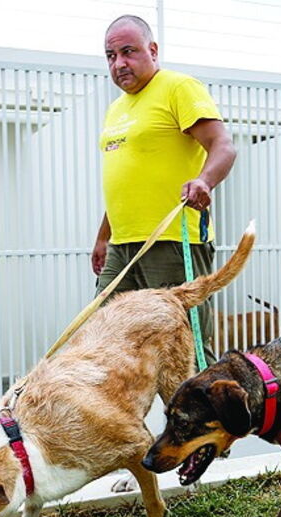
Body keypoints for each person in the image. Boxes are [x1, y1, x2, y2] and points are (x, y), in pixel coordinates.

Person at [92, 14, 236, 364]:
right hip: (122, 247)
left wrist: (204, 180)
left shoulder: (178, 88)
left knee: (184, 349)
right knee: (106, 343)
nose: (119, 63)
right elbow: (130, 179)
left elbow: (223, 145)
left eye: (128, 51)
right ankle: (120, 419)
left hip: (173, 240)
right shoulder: (116, 109)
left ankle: (211, 419)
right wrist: (103, 236)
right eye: (111, 56)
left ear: (152, 50)